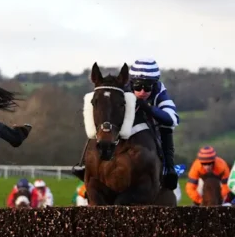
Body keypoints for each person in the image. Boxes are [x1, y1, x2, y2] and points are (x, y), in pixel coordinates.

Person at [71, 58, 180, 190]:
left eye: (147, 87)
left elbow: (172, 119)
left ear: (155, 84)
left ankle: (168, 168)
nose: (142, 92)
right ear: (131, 82)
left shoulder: (160, 91)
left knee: (167, 127)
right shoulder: (123, 88)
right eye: (138, 86)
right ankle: (85, 164)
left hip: (149, 120)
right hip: (123, 122)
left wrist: (148, 107)